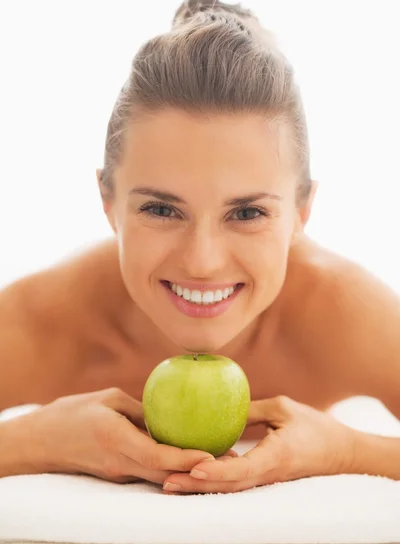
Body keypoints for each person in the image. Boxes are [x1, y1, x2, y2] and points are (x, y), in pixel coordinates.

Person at [0, 0, 399, 494]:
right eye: (162, 210)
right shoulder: (44, 324)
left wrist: (347, 450)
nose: (202, 261)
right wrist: (33, 441)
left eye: (248, 213)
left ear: (301, 212)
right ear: (109, 201)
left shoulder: (342, 312)